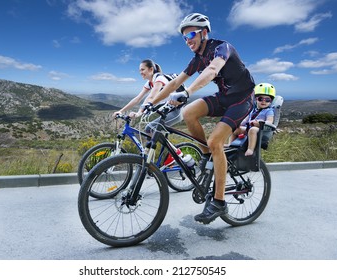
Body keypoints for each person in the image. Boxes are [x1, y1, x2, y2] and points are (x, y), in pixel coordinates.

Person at [147, 13, 255, 224]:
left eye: (192, 35)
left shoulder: (222, 47)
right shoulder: (197, 59)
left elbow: (213, 70)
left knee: (216, 141)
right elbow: (174, 82)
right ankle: (207, 157)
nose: (188, 41)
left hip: (242, 98)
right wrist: (151, 103)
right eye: (185, 38)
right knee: (188, 112)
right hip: (225, 97)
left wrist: (187, 92)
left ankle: (219, 201)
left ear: (204, 33)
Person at [112, 59, 185, 166]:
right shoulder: (149, 82)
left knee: (150, 129)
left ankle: (176, 152)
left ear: (151, 69)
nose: (140, 72)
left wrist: (139, 113)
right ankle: (150, 161)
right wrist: (121, 111)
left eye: (142, 69)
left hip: (177, 110)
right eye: (139, 70)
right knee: (149, 130)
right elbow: (137, 98)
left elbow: (152, 96)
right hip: (167, 109)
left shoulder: (159, 78)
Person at [231, 83, 276, 156]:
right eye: (261, 99)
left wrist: (260, 123)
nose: (263, 101)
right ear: (256, 99)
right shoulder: (253, 110)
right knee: (235, 129)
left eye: (267, 100)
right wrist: (238, 123)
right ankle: (231, 145)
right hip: (248, 128)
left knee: (253, 130)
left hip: (260, 130)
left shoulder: (269, 111)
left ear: (271, 101)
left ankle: (250, 149)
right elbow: (246, 120)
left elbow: (269, 121)